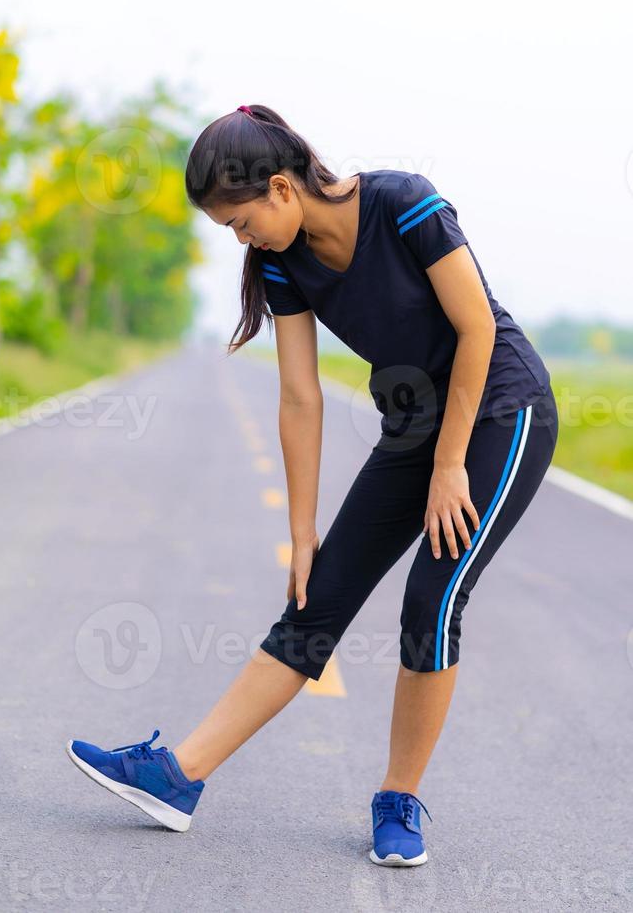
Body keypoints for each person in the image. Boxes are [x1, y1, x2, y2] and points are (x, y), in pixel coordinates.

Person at [66, 104, 559, 866]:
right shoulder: (281, 263)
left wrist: (451, 464)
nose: (241, 239)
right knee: (313, 598)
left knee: (432, 599)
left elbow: (477, 329)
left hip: (498, 411)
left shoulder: (405, 203)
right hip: (413, 425)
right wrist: (302, 535)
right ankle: (178, 777)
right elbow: (300, 395)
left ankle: (399, 799)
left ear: (282, 189)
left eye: (240, 221)